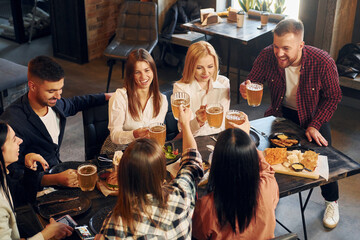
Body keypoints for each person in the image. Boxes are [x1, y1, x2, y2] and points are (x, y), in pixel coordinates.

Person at [239, 19, 342, 229]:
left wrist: (316, 124)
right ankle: (271, 197)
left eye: (286, 48)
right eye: (276, 46)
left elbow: (333, 97)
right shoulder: (268, 55)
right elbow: (253, 80)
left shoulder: (323, 61)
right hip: (280, 115)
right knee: (270, 162)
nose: (279, 53)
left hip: (313, 118)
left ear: (301, 45)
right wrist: (245, 86)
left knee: (325, 166)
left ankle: (331, 201)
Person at [0, 56, 112, 205]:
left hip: (59, 173)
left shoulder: (55, 104)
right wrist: (56, 180)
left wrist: (106, 96)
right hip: (35, 191)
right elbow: (13, 175)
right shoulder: (13, 121)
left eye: (60, 89)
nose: (58, 96)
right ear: (32, 86)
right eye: (52, 91)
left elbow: (75, 103)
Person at [96, 105, 204, 239]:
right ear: (161, 174)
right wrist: (185, 124)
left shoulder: (115, 224)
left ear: (123, 177)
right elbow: (192, 161)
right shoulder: (181, 195)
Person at [192, 115, 279, 239]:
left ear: (216, 165)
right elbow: (267, 170)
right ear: (251, 160)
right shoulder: (267, 188)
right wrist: (247, 142)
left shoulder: (206, 206)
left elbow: (198, 235)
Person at [0, 122, 73, 240]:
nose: (20, 140)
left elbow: (23, 198)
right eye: (13, 139)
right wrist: (46, 234)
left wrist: (30, 168)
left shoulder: (3, 173)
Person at [101, 48, 168, 153]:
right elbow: (114, 135)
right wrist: (134, 134)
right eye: (137, 72)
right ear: (131, 75)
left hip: (146, 151)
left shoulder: (162, 100)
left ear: (153, 71)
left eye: (147, 70)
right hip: (119, 151)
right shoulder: (119, 98)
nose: (144, 77)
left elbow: (157, 134)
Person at [173, 41, 230, 137]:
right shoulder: (180, 88)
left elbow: (223, 123)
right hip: (193, 138)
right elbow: (184, 130)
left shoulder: (224, 83)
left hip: (219, 137)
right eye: (199, 68)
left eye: (210, 67)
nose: (206, 73)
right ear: (191, 67)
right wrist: (198, 121)